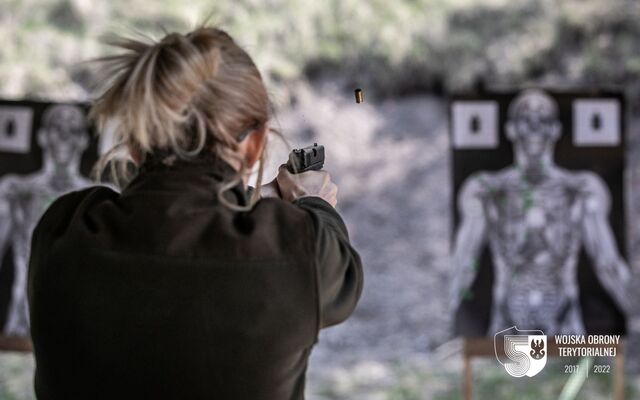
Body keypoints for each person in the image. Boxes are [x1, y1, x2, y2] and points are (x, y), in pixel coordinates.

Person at [27, 26, 363, 400]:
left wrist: (256, 198)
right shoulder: (302, 250)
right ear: (254, 145)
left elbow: (170, 220)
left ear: (136, 145)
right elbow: (340, 272)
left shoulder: (63, 230)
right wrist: (311, 200)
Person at [451, 89, 629, 336]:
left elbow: (607, 262)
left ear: (555, 129)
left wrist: (633, 314)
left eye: (542, 120)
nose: (534, 128)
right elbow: (464, 263)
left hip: (566, 325)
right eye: (526, 119)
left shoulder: (580, 190)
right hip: (507, 325)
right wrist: (446, 317)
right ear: (511, 129)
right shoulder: (486, 190)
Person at [0, 104, 92, 336]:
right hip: (22, 322)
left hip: (78, 325)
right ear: (42, 136)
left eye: (72, 130)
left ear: (83, 140)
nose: (63, 136)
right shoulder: (16, 190)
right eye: (57, 128)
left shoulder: (101, 196)